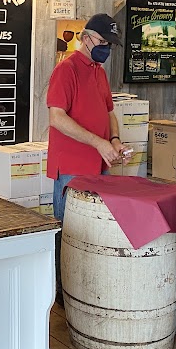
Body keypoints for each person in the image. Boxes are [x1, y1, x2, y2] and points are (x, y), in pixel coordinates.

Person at [47, 13, 127, 223]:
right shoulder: (66, 69)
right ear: (85, 38)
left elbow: (109, 112)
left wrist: (114, 140)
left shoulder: (100, 73)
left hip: (100, 165)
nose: (106, 48)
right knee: (71, 234)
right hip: (72, 168)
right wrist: (97, 142)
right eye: (102, 42)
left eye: (109, 44)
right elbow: (56, 118)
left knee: (97, 232)